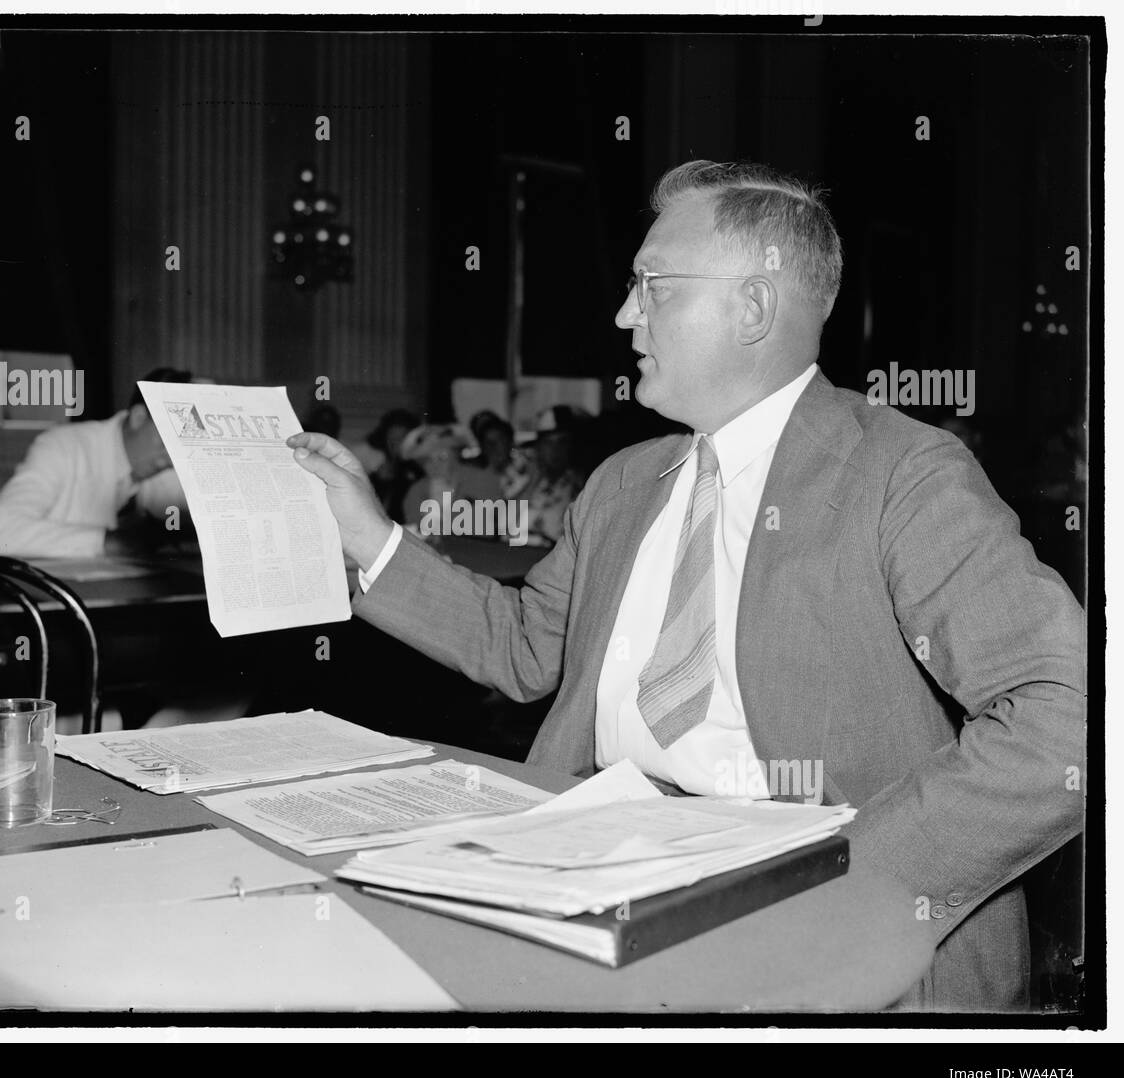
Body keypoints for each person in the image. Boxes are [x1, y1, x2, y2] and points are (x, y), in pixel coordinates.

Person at [287, 159, 1085, 1011]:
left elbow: (1068, 717)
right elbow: (524, 649)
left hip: (825, 929)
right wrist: (370, 536)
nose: (624, 315)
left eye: (652, 286)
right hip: (590, 879)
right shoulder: (626, 481)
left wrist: (847, 877)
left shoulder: (902, 474)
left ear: (753, 306)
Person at [0, 368, 192, 559]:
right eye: (168, 439)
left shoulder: (166, 466)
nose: (173, 456)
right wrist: (107, 542)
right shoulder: (63, 446)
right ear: (139, 417)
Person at [520, 405, 588, 547]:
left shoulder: (583, 486)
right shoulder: (529, 479)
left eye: (562, 442)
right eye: (549, 442)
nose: (555, 450)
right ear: (538, 447)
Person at [364, 407, 421, 524]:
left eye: (400, 439)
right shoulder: (382, 467)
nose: (395, 445)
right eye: (392, 439)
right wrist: (381, 481)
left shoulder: (422, 465)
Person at [470, 410, 533, 500]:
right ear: (482, 447)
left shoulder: (529, 471)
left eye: (499, 441)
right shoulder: (474, 478)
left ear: (510, 442)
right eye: (489, 443)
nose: (493, 448)